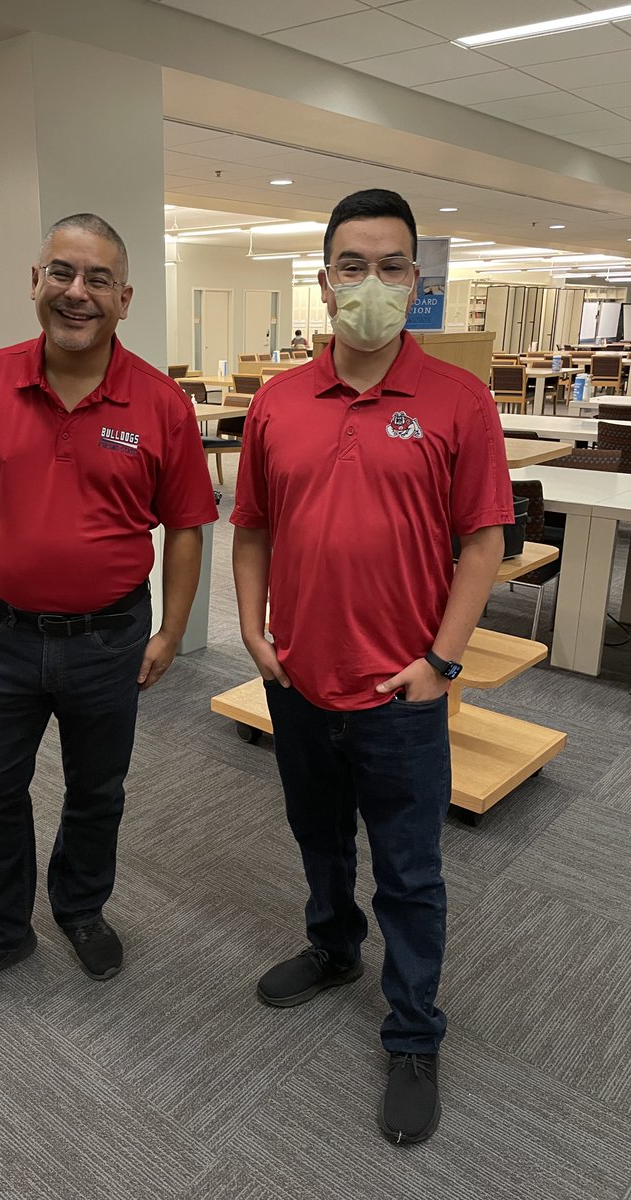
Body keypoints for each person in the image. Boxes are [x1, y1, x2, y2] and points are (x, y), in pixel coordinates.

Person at [231, 189, 512, 1145]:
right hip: (301, 681)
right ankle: (333, 949)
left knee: (409, 871)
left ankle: (415, 1032)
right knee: (319, 842)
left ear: (417, 285)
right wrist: (253, 631)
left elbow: (483, 543)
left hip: (402, 692)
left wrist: (441, 660)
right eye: (353, 265)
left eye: (391, 267)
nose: (371, 284)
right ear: (324, 280)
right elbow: (254, 528)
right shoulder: (277, 401)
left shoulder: (458, 402)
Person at [0, 212, 218, 1013]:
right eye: (61, 273)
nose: (76, 293)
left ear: (124, 299)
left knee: (98, 792)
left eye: (97, 280)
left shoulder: (160, 403)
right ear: (35, 283)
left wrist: (170, 628)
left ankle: (81, 909)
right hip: (1, 634)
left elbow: (188, 526)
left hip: (109, 639)